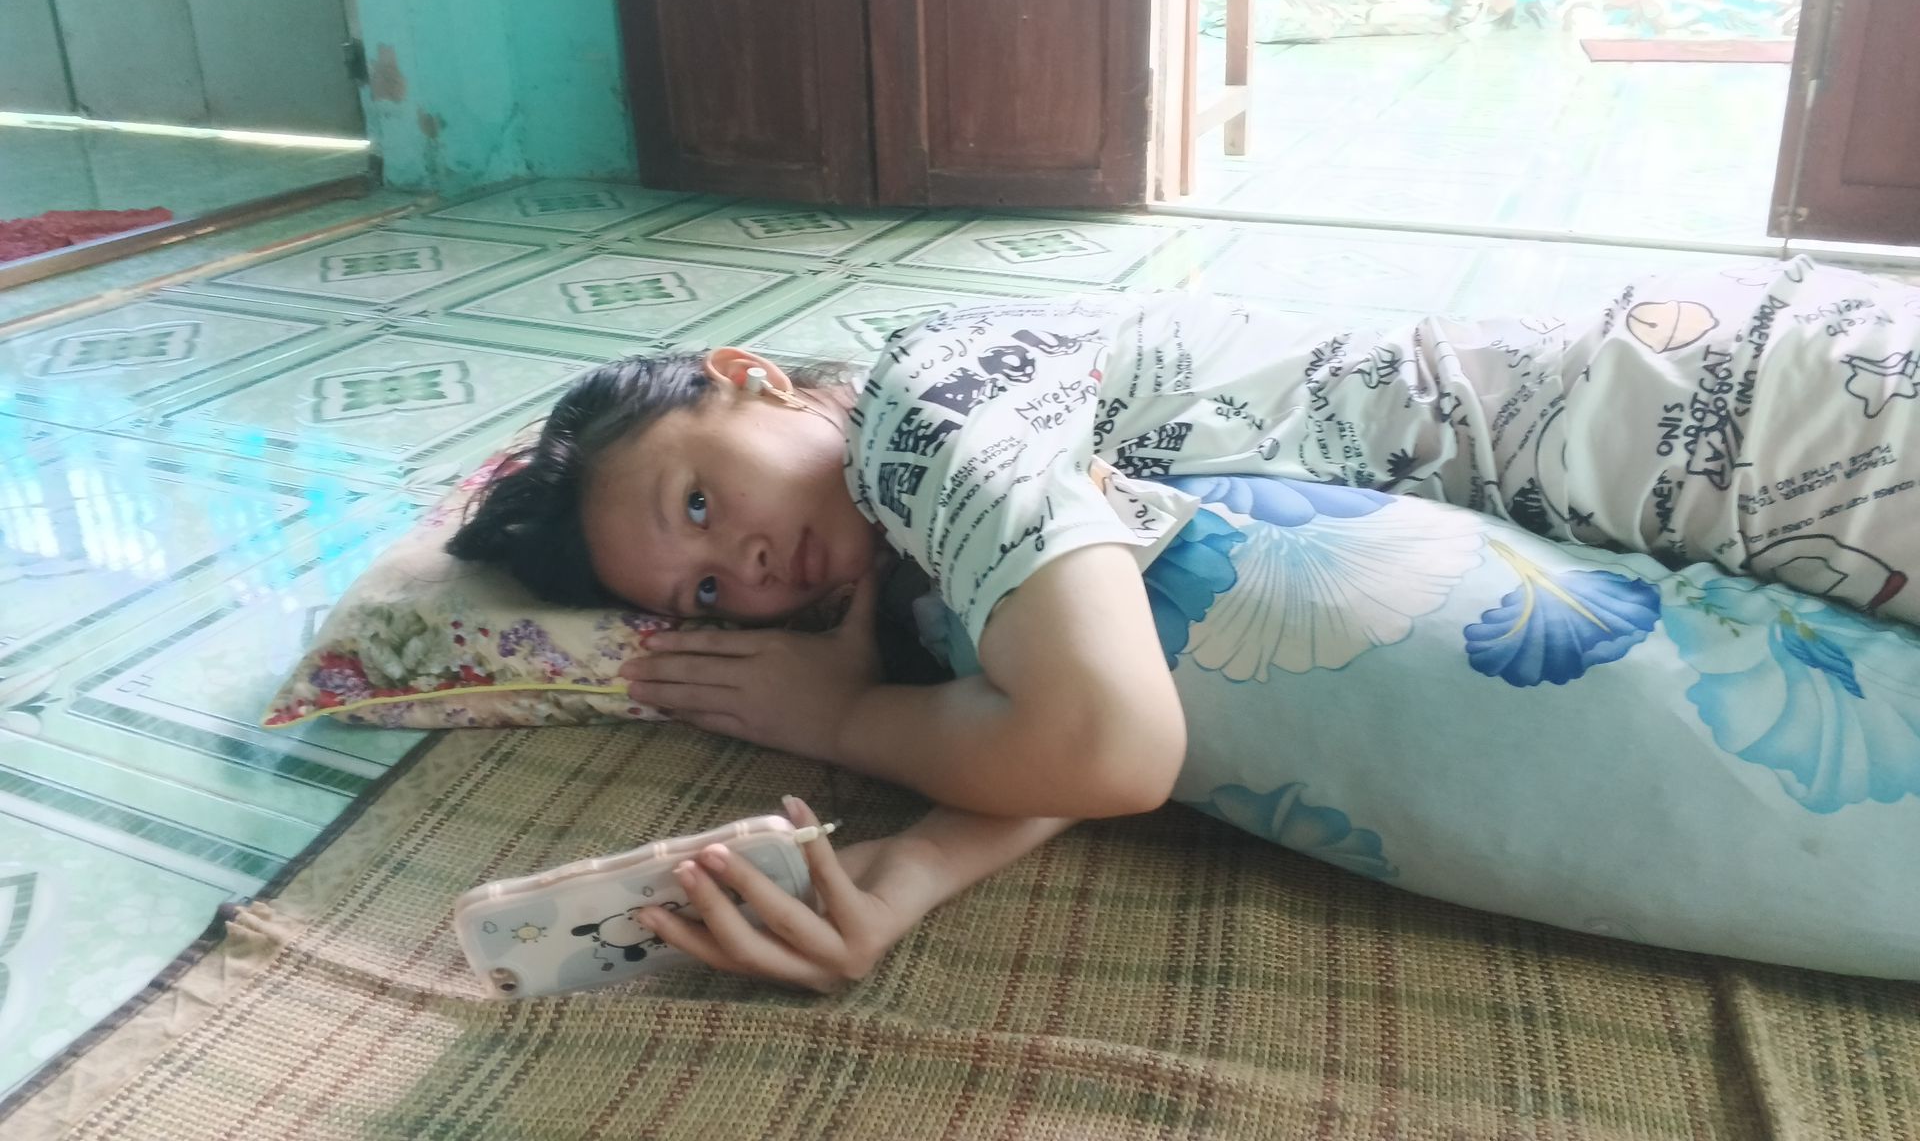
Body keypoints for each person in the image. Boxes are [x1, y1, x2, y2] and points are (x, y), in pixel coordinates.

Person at [449, 256, 1920, 990]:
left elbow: (1109, 742)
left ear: (750, 377)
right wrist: (908, 872)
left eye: (703, 502)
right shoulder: (928, 572)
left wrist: (837, 721)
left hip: (1766, 425)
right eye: (707, 595)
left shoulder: (926, 404)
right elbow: (1103, 656)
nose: (756, 567)